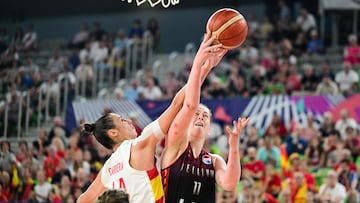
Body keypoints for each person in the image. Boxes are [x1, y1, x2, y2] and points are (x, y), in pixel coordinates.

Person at [77, 33, 226, 203]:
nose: (128, 121)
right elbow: (177, 104)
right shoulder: (140, 144)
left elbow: (82, 200)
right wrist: (204, 67)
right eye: (122, 120)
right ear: (112, 133)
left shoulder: (107, 170)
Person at [160, 35, 249, 202]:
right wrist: (203, 64)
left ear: (209, 130)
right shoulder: (175, 146)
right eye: (197, 114)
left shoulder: (214, 161)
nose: (201, 116)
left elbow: (229, 184)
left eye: (205, 116)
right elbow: (188, 104)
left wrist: (234, 146)